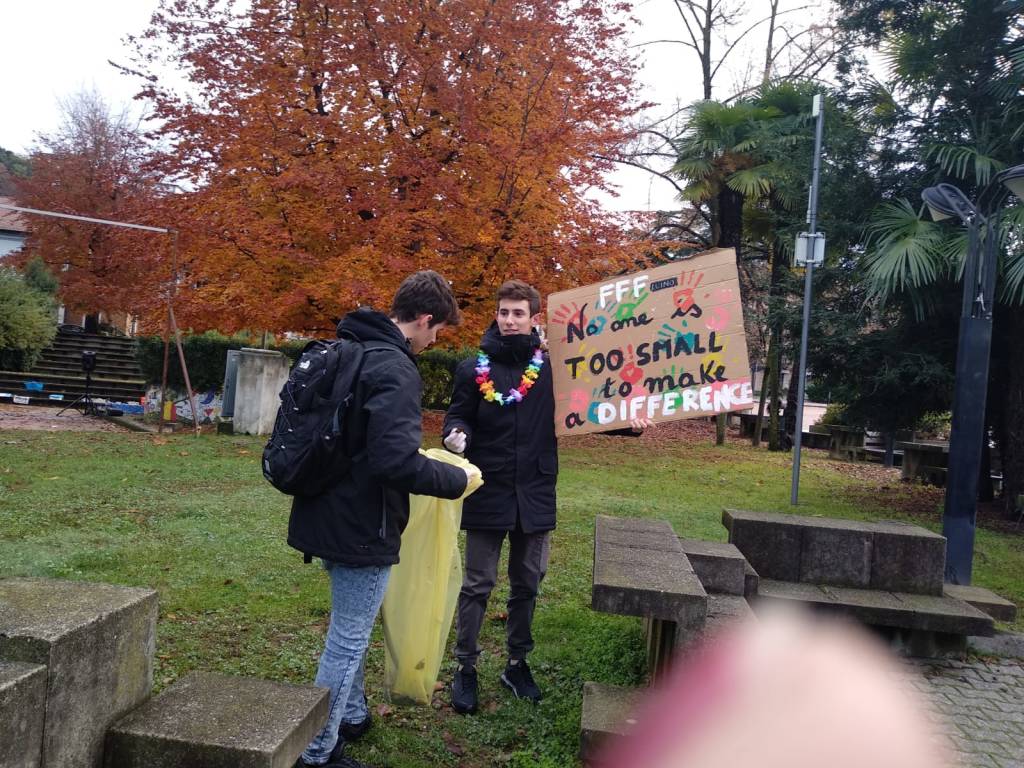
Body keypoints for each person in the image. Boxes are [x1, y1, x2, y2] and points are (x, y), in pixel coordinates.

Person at [289, 270, 480, 768]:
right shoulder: (394, 368)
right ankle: (317, 750)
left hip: (326, 511)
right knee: (348, 639)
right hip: (362, 523)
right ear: (422, 319)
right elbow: (394, 461)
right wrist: (453, 480)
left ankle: (350, 715)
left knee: (349, 626)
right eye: (435, 330)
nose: (434, 340)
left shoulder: (351, 349)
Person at [442, 280, 650, 714]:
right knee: (478, 584)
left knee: (528, 583)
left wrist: (626, 425)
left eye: (519, 313)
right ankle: (466, 667)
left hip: (535, 491)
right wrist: (455, 433)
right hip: (488, 489)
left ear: (534, 318)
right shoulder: (472, 369)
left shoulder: (555, 369)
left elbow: (584, 410)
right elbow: (460, 412)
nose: (510, 320)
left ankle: (517, 663)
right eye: (504, 312)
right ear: (496, 315)